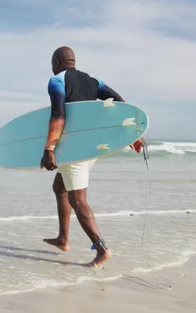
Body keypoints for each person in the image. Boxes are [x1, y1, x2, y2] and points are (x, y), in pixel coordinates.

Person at [40, 46, 142, 267]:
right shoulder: (94, 81)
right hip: (90, 148)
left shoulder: (56, 80)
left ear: (56, 62)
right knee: (60, 188)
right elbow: (120, 103)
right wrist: (132, 134)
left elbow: (58, 115)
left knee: (78, 200)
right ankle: (63, 239)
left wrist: (49, 149)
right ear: (73, 61)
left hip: (72, 150)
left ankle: (101, 248)